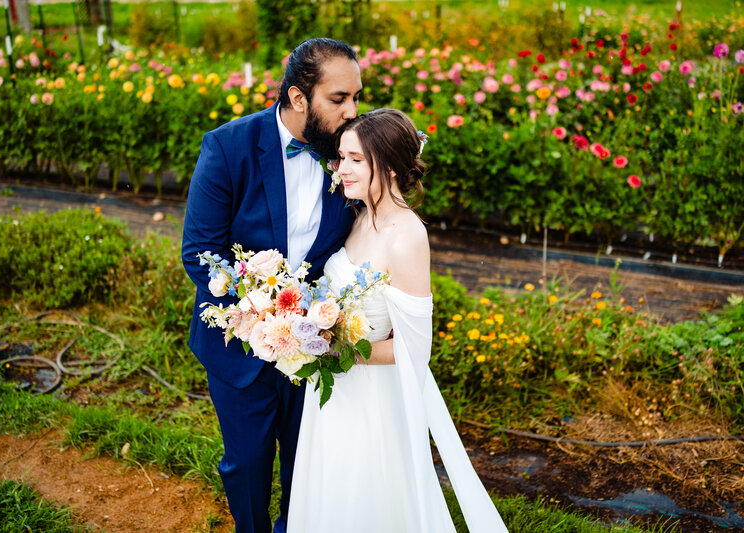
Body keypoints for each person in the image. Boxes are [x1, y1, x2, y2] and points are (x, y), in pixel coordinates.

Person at [287, 109, 508, 533]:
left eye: (355, 159)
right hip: (331, 390)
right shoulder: (357, 215)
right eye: (341, 157)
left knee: (364, 497)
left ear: (387, 167)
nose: (341, 169)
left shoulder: (407, 236)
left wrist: (334, 348)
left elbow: (414, 348)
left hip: (371, 397)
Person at [181, 38, 362, 533]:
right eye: (339, 99)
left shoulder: (348, 152)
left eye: (356, 98)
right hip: (239, 346)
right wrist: (263, 310)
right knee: (248, 466)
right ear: (299, 97)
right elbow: (199, 251)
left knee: (308, 464)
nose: (352, 112)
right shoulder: (227, 146)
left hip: (317, 347)